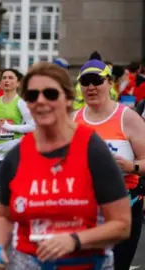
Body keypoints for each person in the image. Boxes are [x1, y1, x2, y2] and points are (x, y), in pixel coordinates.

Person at [0, 62, 131, 270]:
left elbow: (122, 225)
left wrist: (74, 240)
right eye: (32, 96)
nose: (41, 101)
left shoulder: (93, 150)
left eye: (51, 94)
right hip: (29, 262)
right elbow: (3, 215)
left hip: (85, 263)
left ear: (68, 99)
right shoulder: (16, 157)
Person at [73, 59, 145, 269]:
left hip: (123, 209)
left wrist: (131, 167)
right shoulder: (72, 121)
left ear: (110, 82)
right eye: (85, 82)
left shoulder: (127, 118)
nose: (91, 87)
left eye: (97, 80)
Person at [0, 68, 35, 225]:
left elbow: (32, 126)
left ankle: (16, 228)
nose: (6, 80)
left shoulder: (21, 103)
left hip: (14, 153)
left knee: (14, 191)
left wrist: (10, 127)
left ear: (18, 82)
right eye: (4, 78)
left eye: (10, 78)